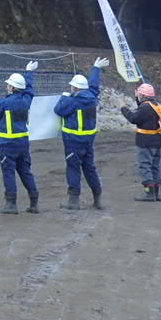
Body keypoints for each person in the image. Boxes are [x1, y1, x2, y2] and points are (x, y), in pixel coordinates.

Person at [52, 58, 108, 210]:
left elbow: (58, 110)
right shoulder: (91, 97)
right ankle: (97, 198)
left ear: (75, 88)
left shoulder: (73, 101)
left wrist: (64, 97)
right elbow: (94, 85)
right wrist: (96, 68)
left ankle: (73, 200)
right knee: (89, 168)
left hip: (73, 141)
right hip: (88, 141)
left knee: (73, 168)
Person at [0, 61, 40, 214]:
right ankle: (34, 202)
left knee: (9, 172)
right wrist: (29, 73)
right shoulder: (26, 101)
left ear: (12, 87)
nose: (7, 87)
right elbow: (29, 90)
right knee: (25, 171)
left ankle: (11, 204)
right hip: (23, 143)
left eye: (8, 85)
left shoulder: (3, 103)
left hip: (7, 144)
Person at [121, 83, 161, 201]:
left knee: (145, 165)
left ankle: (149, 193)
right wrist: (136, 99)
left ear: (143, 95)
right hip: (157, 140)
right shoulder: (156, 105)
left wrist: (123, 109)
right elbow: (144, 112)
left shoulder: (145, 107)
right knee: (155, 166)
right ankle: (156, 193)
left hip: (146, 141)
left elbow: (134, 118)